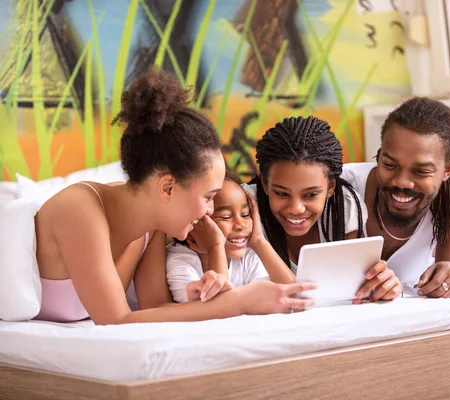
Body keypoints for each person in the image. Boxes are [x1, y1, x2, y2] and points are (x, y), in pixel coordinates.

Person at [33, 68, 315, 324]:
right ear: (167, 188)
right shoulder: (80, 207)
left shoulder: (150, 227)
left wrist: (202, 285)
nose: (208, 211)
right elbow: (115, 321)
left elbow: (153, 310)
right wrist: (243, 300)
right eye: (208, 197)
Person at [245, 116, 403, 303]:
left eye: (311, 195)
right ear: (264, 184)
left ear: (330, 187)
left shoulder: (343, 207)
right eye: (281, 193)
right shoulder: (242, 207)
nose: (296, 209)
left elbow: (357, 289)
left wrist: (382, 284)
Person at [342, 97, 450, 299]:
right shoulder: (340, 188)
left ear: (447, 170)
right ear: (380, 155)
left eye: (421, 171)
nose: (401, 182)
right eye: (390, 165)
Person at [166, 171, 295, 303]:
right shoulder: (180, 262)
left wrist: (259, 242)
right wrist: (215, 246)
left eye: (245, 215)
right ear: (194, 222)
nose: (240, 225)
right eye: (226, 217)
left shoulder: (248, 258)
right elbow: (219, 309)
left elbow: (294, 295)